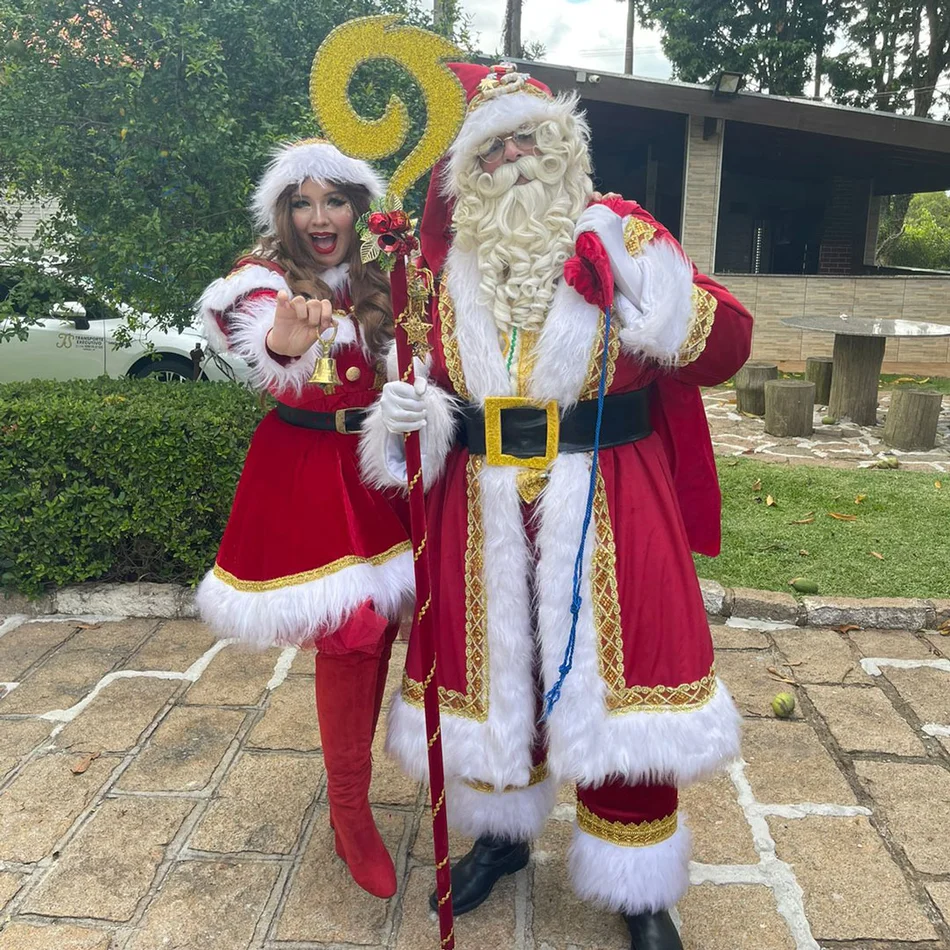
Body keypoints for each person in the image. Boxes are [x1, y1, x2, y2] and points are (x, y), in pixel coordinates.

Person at [358, 64, 754, 947]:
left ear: (562, 145)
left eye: (526, 139)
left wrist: (638, 287)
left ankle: (639, 879)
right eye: (491, 147)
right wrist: (409, 418)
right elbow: (425, 396)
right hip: (482, 503)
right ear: (468, 171)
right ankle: (501, 837)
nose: (512, 159)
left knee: (621, 690)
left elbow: (726, 343)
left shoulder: (621, 230)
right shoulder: (437, 268)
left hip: (611, 492)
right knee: (503, 678)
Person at [195, 139, 412, 899]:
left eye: (334, 200)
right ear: (282, 214)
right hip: (309, 479)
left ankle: (391, 781)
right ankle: (350, 811)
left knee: (382, 626)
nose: (319, 218)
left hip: (385, 474)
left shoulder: (387, 277)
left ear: (358, 205)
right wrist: (289, 335)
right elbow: (264, 343)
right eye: (301, 202)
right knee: (350, 632)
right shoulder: (258, 279)